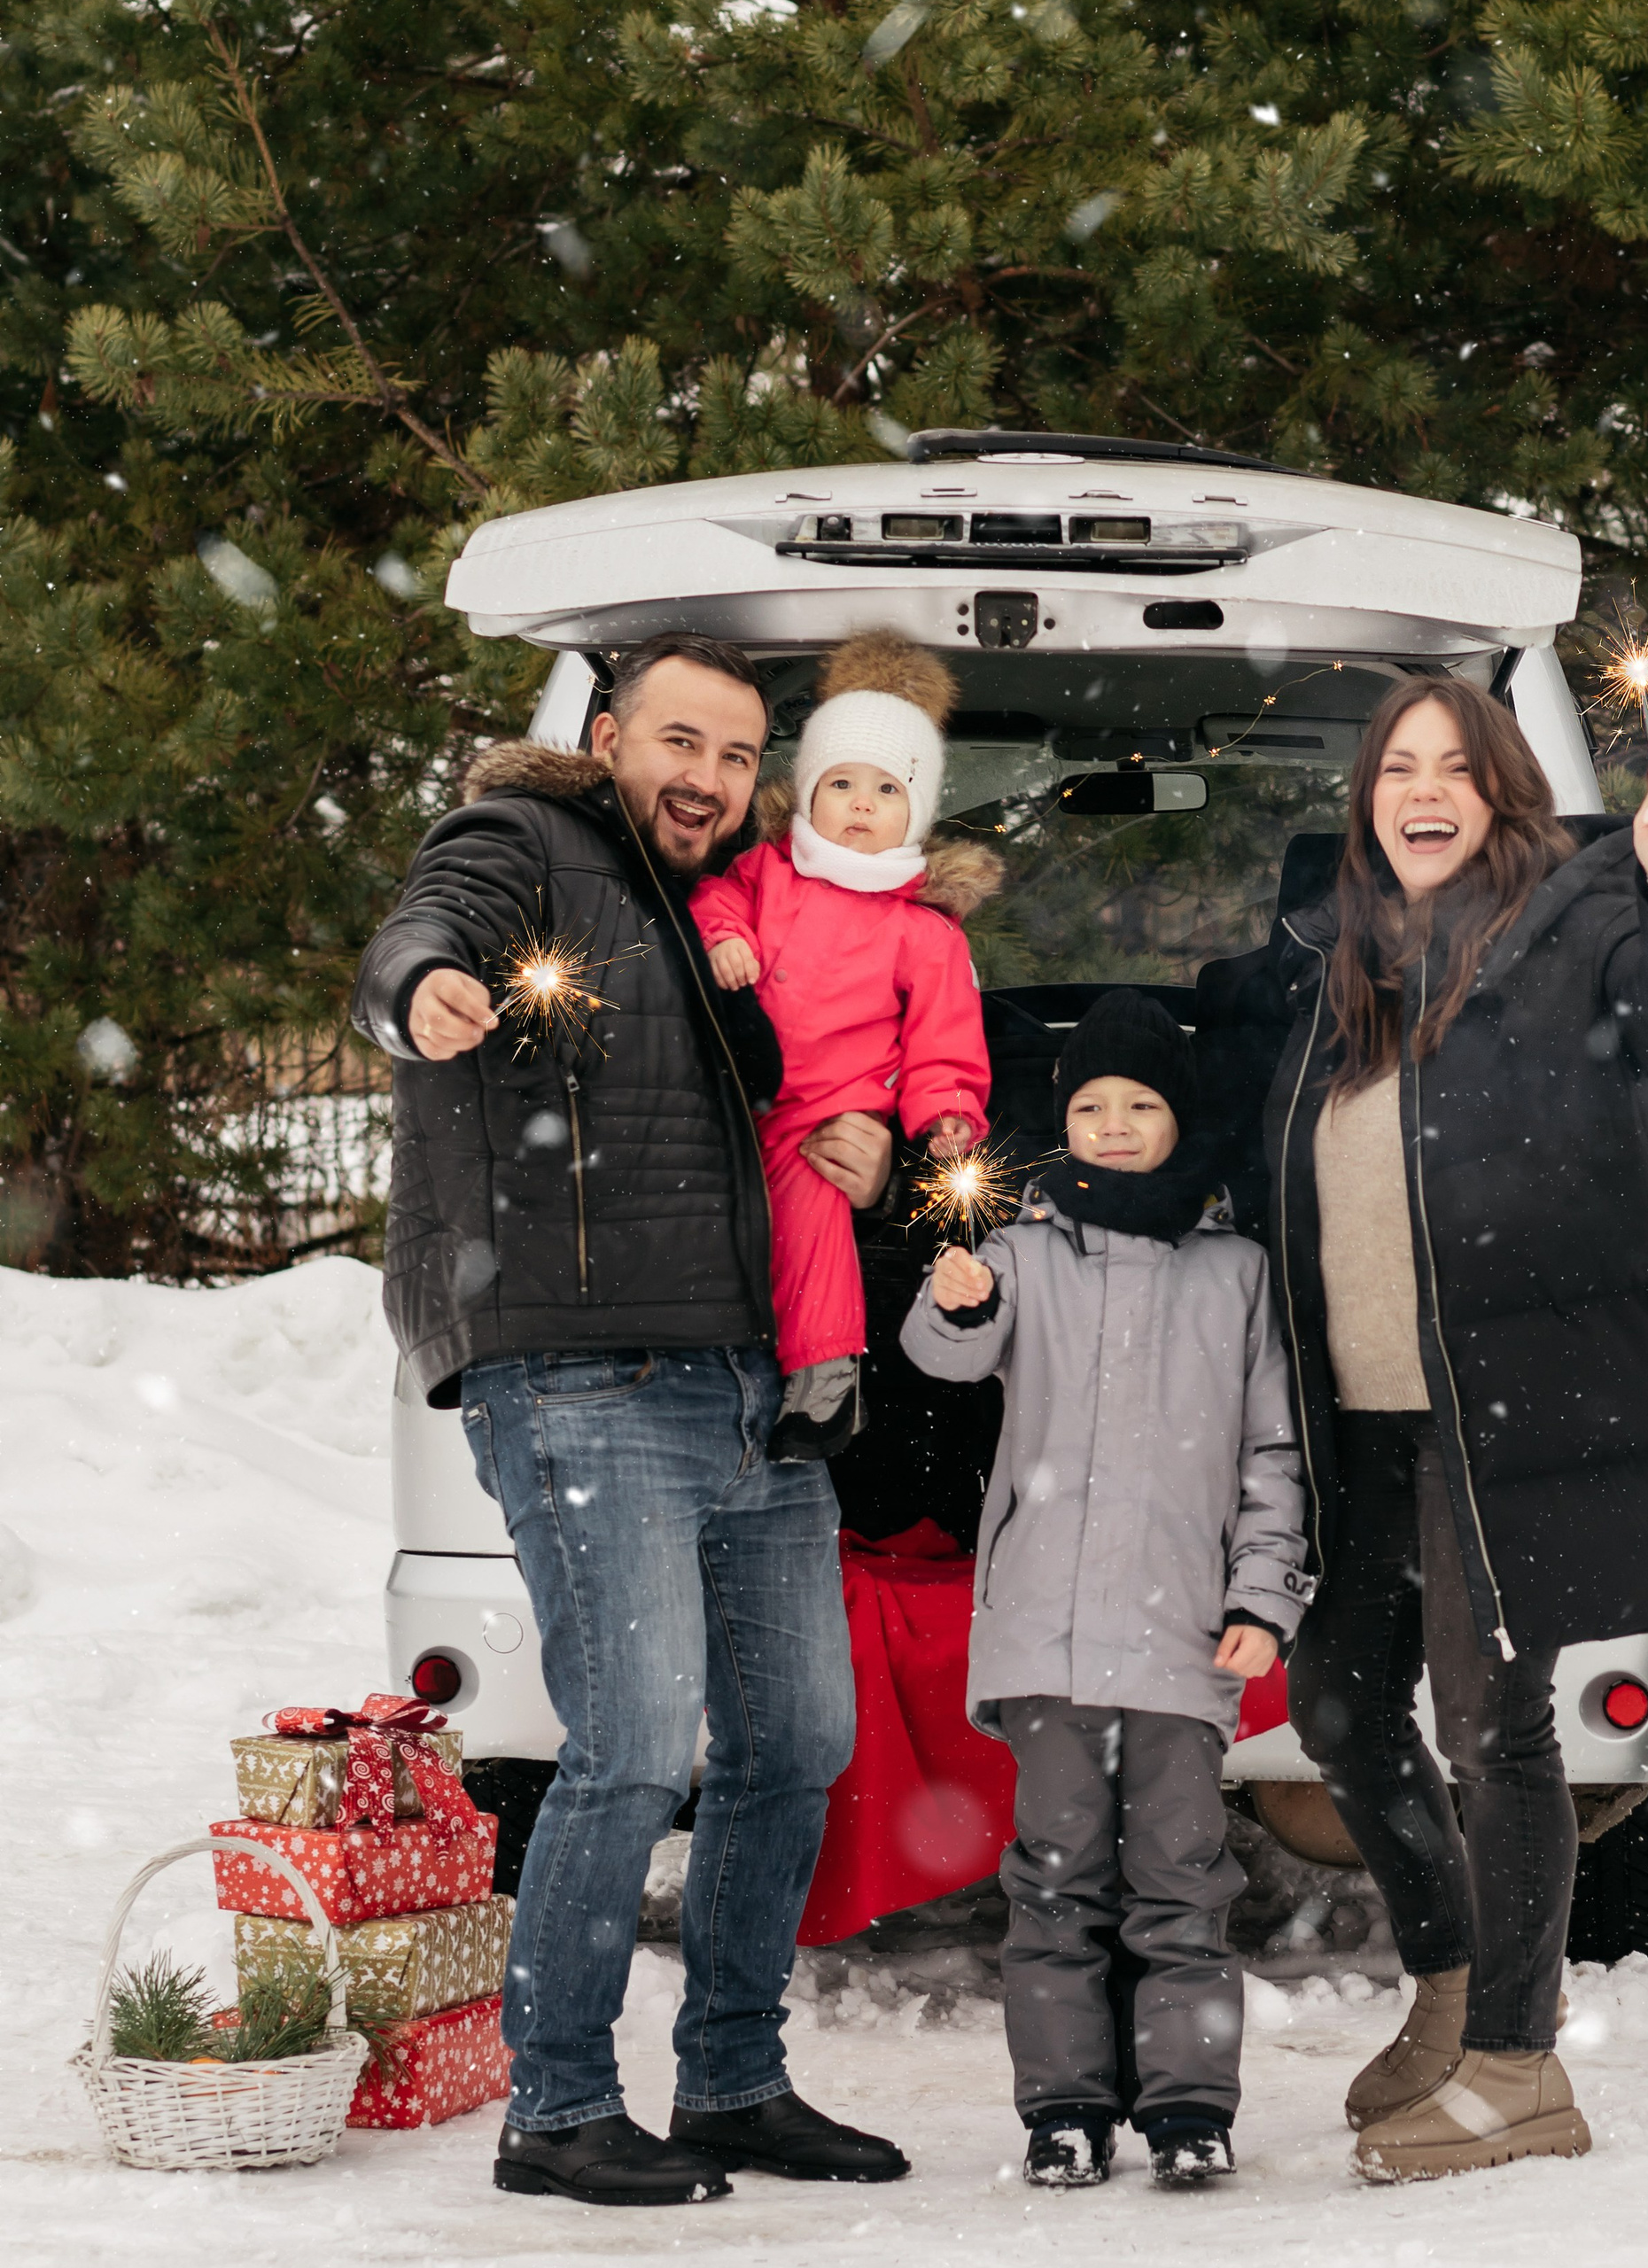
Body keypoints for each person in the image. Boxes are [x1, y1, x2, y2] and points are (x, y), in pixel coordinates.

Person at [352, 632, 909, 2206]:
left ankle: (733, 2079)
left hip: (749, 1382)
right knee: (633, 1750)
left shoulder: (720, 904)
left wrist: (857, 1156)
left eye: (737, 758)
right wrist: (427, 992)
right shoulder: (521, 839)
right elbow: (421, 941)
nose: (708, 780)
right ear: (608, 736)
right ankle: (561, 2105)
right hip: (583, 1373)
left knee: (797, 1740)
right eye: (680, 743)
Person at [1258, 678, 1648, 2182]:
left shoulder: (1574, 943)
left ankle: (1520, 2066)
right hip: (1360, 1420)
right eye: (1397, 767)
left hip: (1506, 1421)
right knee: (1342, 1705)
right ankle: (1452, 1989)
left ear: (1500, 794)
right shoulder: (1336, 978)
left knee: (1497, 1728)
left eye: (1455, 768)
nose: (1424, 789)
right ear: (1368, 799)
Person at [899, 991, 1314, 2191]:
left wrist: (1263, 1597)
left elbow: (1272, 1453)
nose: (1117, 1125)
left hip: (1184, 1634)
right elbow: (947, 1354)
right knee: (1054, 1884)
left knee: (1184, 1882)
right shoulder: (1023, 1252)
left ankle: (1190, 2110)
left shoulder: (1237, 1272)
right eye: (1092, 1106)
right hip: (1046, 1631)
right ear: (1062, 1122)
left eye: (1141, 1105)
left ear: (1180, 1121)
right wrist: (955, 1297)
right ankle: (1065, 2108)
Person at [690, 630, 999, 1461]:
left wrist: (945, 1113)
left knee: (814, 1224)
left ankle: (824, 1378)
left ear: (917, 812)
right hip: (730, 1091)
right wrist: (723, 937)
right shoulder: (766, 872)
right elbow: (711, 898)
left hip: (825, 1115)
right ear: (807, 797)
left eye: (886, 790)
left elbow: (945, 1040)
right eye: (841, 784)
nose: (862, 805)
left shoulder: (921, 931)